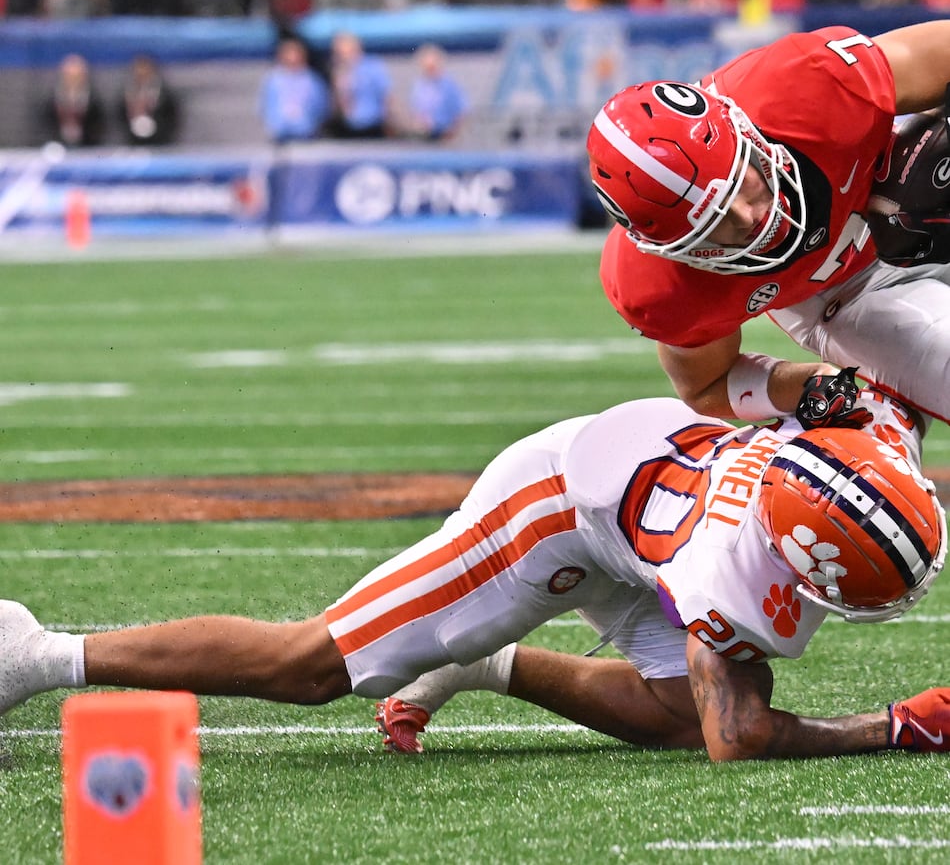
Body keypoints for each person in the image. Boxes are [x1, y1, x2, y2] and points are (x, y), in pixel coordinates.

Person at [1, 380, 948, 765]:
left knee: (668, 711)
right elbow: (736, 738)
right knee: (313, 667)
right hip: (550, 505)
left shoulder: (863, 443)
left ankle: (477, 665)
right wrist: (892, 726)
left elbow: (872, 390)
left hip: (643, 484)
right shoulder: (723, 573)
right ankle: (37, 653)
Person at [587, 19, 950, 431]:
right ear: (672, 250)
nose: (749, 217)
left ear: (746, 133)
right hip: (846, 293)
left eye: (742, 182)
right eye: (713, 225)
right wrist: (803, 385)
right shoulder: (658, 286)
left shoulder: (806, 84)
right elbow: (707, 384)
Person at [258, 37, 330, 144]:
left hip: (307, 135)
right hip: (279, 136)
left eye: (295, 53)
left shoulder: (313, 80)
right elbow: (264, 106)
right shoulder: (272, 80)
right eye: (288, 53)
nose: (292, 57)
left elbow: (322, 107)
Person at [324, 31, 393, 140]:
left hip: (373, 126)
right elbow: (336, 106)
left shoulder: (373, 66)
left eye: (342, 49)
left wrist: (388, 122)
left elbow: (386, 97)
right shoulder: (338, 71)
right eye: (337, 51)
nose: (340, 54)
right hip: (348, 128)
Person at [402, 43, 469, 141]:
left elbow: (461, 112)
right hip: (423, 136)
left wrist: (450, 134)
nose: (430, 71)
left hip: (444, 136)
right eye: (427, 68)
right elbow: (415, 111)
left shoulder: (450, 86)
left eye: (432, 67)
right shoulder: (419, 86)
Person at [40, 52, 104, 147]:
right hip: (57, 146)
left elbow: (98, 126)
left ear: (84, 76)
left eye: (77, 76)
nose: (73, 80)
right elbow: (45, 125)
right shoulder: (52, 100)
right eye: (69, 76)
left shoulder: (94, 100)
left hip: (87, 146)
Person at [116, 54, 178, 146]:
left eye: (144, 68)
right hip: (132, 141)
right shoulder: (127, 91)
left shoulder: (163, 92)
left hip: (160, 140)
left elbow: (171, 115)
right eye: (139, 68)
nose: (141, 72)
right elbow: (120, 113)